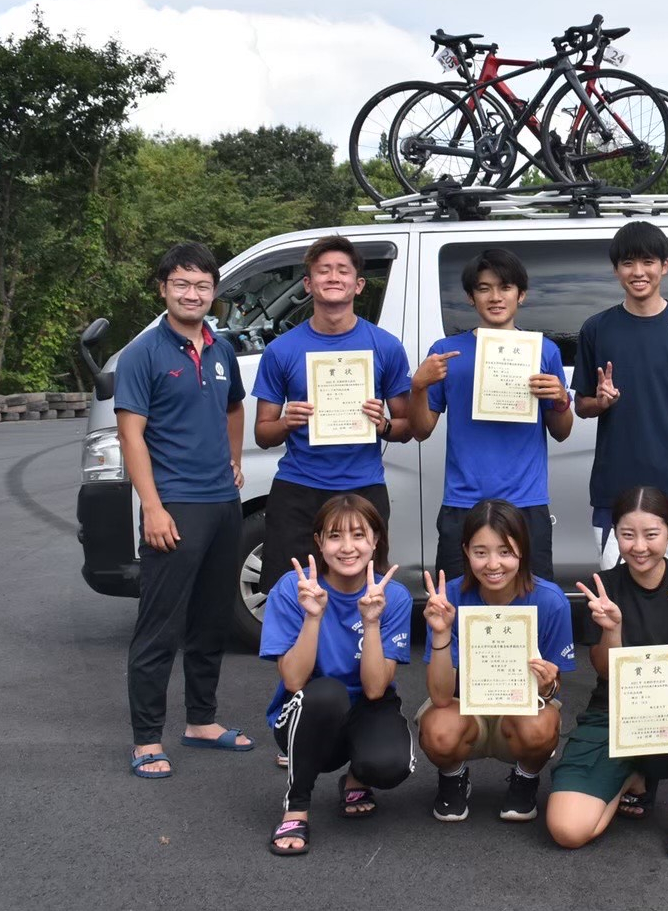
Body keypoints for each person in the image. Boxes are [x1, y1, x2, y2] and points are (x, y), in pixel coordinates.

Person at [116, 242, 253, 778]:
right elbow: (131, 435)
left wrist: (236, 459)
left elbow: (234, 407)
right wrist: (151, 506)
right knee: (159, 625)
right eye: (181, 284)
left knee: (211, 621)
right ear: (163, 289)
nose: (192, 293)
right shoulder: (143, 353)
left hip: (223, 503)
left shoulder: (220, 350)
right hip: (174, 506)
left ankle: (201, 721)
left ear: (213, 292)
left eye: (201, 285)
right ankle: (147, 739)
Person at [545, 486, 668, 857]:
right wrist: (611, 628)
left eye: (651, 534)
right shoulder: (605, 588)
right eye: (628, 535)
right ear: (615, 534)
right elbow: (603, 669)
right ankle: (631, 774)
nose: (639, 546)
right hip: (613, 714)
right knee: (568, 831)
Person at [253, 234, 413, 594]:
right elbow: (263, 434)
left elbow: (408, 427)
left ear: (358, 285)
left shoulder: (385, 346)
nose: (333, 277)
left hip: (363, 488)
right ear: (309, 284)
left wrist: (384, 423)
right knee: (293, 593)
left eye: (342, 270)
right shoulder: (281, 350)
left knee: (363, 594)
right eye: (324, 271)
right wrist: (286, 422)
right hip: (299, 487)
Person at [259, 495, 414, 855]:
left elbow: (376, 689)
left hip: (367, 706)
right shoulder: (291, 589)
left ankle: (357, 776)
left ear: (376, 540)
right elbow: (294, 681)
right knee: (327, 692)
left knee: (390, 765)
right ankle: (296, 808)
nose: (347, 547)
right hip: (310, 713)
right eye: (334, 536)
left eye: (359, 535)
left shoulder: (394, 595)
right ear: (319, 541)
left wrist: (371, 621)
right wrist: (313, 616)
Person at [407, 249, 573, 579]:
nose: (495, 297)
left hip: (526, 502)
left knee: (531, 602)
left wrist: (560, 401)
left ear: (520, 295)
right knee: (456, 602)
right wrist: (418, 387)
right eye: (484, 288)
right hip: (463, 502)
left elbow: (561, 431)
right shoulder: (445, 352)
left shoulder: (544, 351)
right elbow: (422, 429)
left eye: (506, 287)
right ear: (471, 297)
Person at [572, 221, 668, 570]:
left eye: (648, 262)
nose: (638, 272)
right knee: (620, 598)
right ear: (615, 270)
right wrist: (600, 402)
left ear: (664, 266)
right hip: (615, 487)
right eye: (627, 263)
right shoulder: (596, 328)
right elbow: (581, 405)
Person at [417, 499, 576, 823]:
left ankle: (525, 779)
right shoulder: (452, 599)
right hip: (465, 706)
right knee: (438, 729)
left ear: (523, 550)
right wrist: (440, 633)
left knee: (542, 726)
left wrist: (548, 685)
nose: (493, 564)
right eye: (480, 552)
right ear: (465, 551)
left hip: (519, 709)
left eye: (505, 551)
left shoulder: (550, 601)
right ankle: (453, 777)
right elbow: (441, 697)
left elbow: (554, 690)